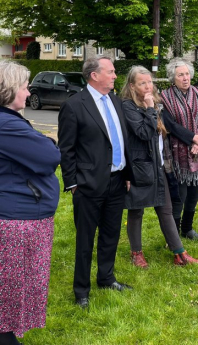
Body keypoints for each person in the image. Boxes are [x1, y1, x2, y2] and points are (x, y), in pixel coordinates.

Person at [58, 56, 132, 310]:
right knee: (85, 240)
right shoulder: (74, 105)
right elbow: (66, 149)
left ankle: (106, 277)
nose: (114, 76)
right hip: (88, 184)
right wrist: (72, 183)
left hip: (117, 181)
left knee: (111, 234)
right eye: (110, 72)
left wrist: (128, 174)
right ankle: (81, 290)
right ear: (94, 75)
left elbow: (122, 140)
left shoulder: (115, 101)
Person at [0, 61, 60, 344]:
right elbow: (49, 157)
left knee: (13, 289)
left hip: (20, 214)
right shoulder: (5, 125)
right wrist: (48, 143)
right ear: (9, 90)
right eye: (24, 87)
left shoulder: (9, 122)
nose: (28, 93)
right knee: (11, 289)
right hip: (16, 220)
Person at [121, 66, 198, 267]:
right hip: (139, 166)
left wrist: (152, 106)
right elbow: (142, 133)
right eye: (142, 83)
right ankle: (136, 253)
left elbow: (163, 135)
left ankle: (179, 253)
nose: (148, 86)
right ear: (132, 86)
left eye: (150, 82)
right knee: (136, 210)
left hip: (158, 165)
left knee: (165, 208)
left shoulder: (156, 104)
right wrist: (149, 109)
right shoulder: (128, 106)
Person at [161, 58, 198, 240]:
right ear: (172, 78)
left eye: (187, 74)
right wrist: (193, 138)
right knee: (179, 196)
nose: (185, 78)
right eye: (180, 75)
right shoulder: (166, 97)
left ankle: (187, 229)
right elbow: (170, 125)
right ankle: (173, 234)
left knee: (195, 192)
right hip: (178, 154)